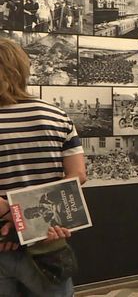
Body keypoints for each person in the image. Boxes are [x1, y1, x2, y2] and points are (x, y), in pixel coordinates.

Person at [0, 37, 87, 296]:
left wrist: (11, 214)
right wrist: (29, 223)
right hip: (47, 239)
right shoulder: (55, 115)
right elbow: (77, 175)